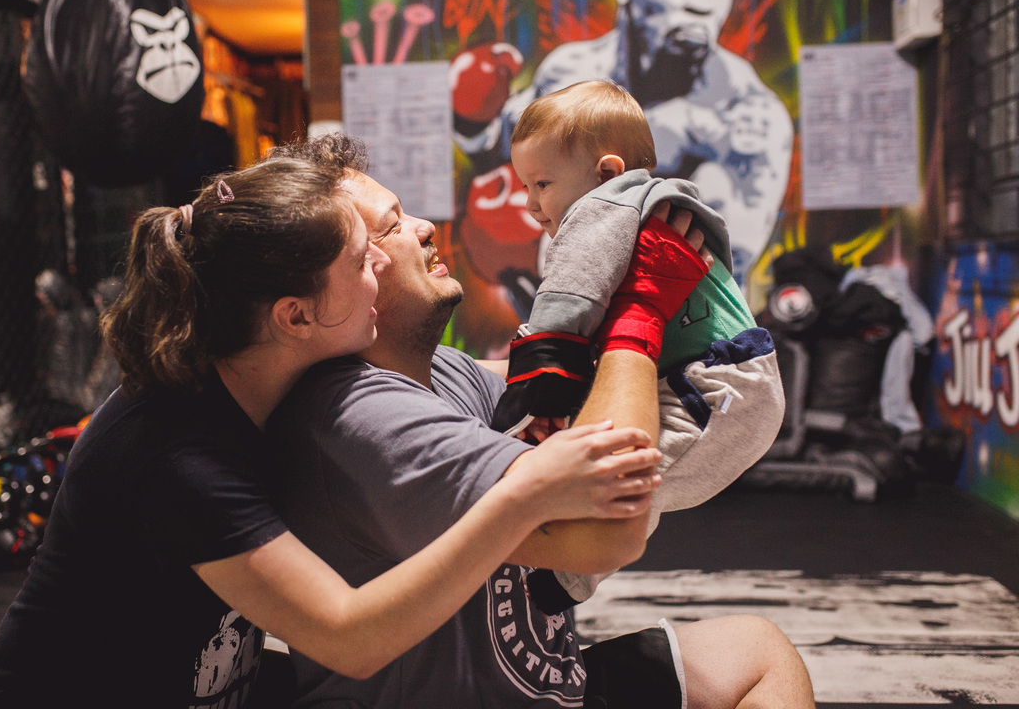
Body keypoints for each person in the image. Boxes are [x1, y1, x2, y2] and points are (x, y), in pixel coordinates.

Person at [0, 159, 664, 709]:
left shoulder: (264, 371)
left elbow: (506, 370)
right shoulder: (178, 453)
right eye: (364, 260)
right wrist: (524, 495)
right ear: (296, 318)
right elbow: (349, 637)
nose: (381, 269)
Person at [267, 134, 813, 708]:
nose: (425, 226)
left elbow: (563, 382)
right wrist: (640, 313)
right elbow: (609, 524)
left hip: (547, 686)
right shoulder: (363, 417)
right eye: (389, 226)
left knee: (758, 652)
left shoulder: (439, 370)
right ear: (337, 281)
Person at [499, 79, 784, 611]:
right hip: (711, 378)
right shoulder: (645, 208)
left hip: (717, 383)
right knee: (626, 482)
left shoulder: (605, 209)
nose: (533, 204)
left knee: (622, 478)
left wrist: (538, 381)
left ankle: (561, 580)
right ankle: (564, 574)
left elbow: (568, 295)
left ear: (606, 173)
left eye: (542, 184)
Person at [454, 0, 793, 284]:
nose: (701, 3)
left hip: (686, 327)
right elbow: (498, 148)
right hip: (569, 315)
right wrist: (470, 116)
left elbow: (718, 263)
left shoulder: (748, 113)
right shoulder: (569, 72)